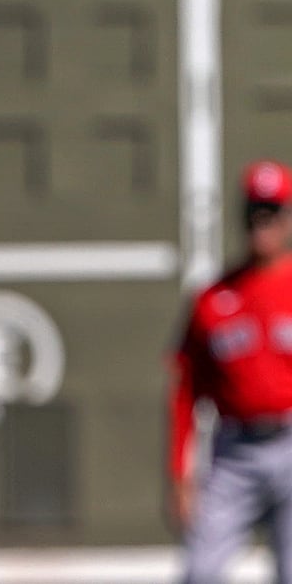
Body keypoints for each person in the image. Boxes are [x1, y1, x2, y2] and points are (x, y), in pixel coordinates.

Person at [168, 159, 292, 584]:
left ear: (286, 218)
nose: (263, 223)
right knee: (201, 572)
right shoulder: (215, 298)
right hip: (235, 451)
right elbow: (186, 391)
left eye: (272, 212)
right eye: (255, 212)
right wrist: (180, 475)